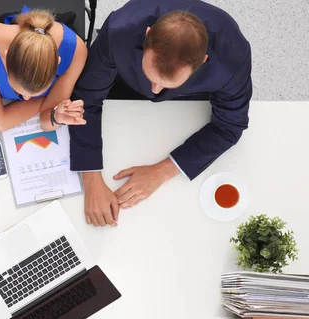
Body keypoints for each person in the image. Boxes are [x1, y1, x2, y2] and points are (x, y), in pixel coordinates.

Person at [69, 0, 252, 227]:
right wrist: (91, 176)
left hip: (186, 100)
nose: (154, 91)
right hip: (123, 80)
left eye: (164, 83)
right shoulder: (119, 29)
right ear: (147, 35)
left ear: (203, 61)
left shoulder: (232, 57)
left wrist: (163, 171)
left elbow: (230, 125)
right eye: (153, 79)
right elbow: (86, 97)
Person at [0, 7, 88, 132]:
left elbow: (45, 121)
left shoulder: (76, 53)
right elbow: (0, 122)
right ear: (7, 57)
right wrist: (49, 102)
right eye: (21, 92)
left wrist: (56, 117)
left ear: (57, 63)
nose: (27, 99)